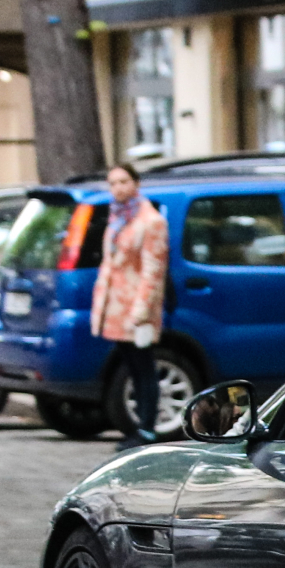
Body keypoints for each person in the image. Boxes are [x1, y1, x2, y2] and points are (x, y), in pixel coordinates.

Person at [92, 161, 169, 446]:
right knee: (132, 368)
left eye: (123, 182)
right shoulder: (118, 217)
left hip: (137, 308)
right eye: (113, 183)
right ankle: (140, 427)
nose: (118, 188)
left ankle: (147, 428)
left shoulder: (151, 221)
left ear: (136, 184)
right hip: (115, 306)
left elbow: (153, 270)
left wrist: (141, 311)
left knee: (144, 367)